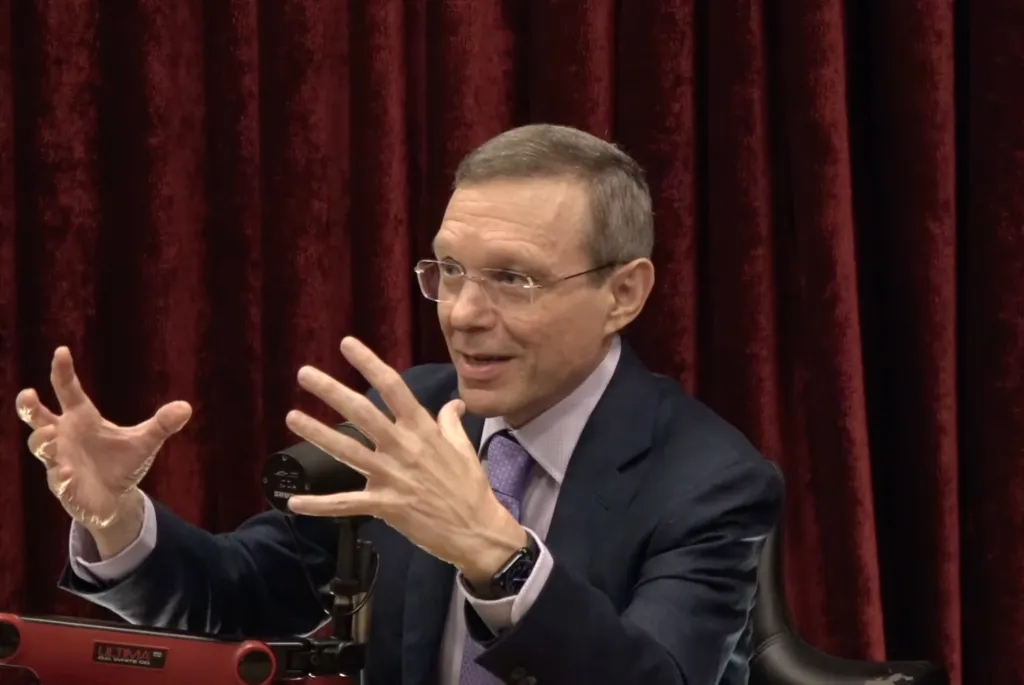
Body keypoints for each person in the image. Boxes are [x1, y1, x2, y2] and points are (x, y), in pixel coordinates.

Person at [17, 124, 783, 685]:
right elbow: (248, 591)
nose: (462, 313)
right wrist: (116, 517)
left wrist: (499, 559)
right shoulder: (417, 413)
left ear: (624, 292)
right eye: (449, 270)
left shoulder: (710, 478)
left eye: (513, 278)